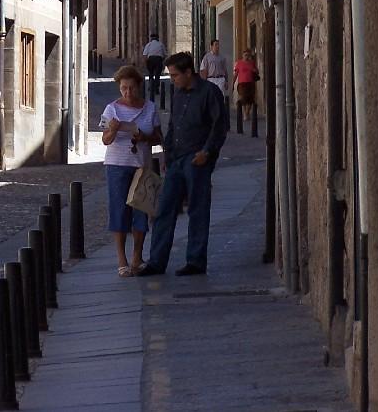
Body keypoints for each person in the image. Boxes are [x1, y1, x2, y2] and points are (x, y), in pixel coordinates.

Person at [137, 52, 228, 277]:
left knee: (197, 209)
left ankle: (195, 261)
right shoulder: (177, 94)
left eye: (176, 75)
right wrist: (167, 155)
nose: (173, 78)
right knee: (164, 209)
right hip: (177, 159)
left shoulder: (209, 93)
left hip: (197, 158)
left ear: (189, 72)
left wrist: (206, 153)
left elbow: (219, 126)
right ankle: (156, 261)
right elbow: (174, 127)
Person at [99, 65, 163, 277]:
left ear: (139, 87)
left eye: (131, 88)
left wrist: (144, 138)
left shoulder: (150, 108)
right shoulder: (112, 110)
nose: (127, 92)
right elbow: (105, 140)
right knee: (118, 210)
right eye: (124, 88)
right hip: (117, 165)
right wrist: (114, 131)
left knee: (141, 211)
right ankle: (122, 260)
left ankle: (137, 256)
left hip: (141, 165)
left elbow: (158, 137)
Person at [232, 50, 260, 121]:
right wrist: (232, 83)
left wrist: (254, 70)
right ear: (243, 56)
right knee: (243, 98)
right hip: (242, 83)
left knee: (250, 99)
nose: (246, 57)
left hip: (250, 83)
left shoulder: (252, 63)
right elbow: (236, 74)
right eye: (245, 55)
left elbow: (257, 71)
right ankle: (245, 113)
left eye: (248, 55)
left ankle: (247, 113)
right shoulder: (239, 63)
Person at [141, 34, 167, 99]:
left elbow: (145, 55)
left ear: (151, 38)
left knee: (151, 73)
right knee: (158, 74)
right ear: (157, 38)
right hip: (158, 59)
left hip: (151, 59)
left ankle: (151, 85)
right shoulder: (161, 44)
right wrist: (162, 61)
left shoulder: (148, 44)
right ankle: (156, 88)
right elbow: (164, 54)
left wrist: (145, 63)